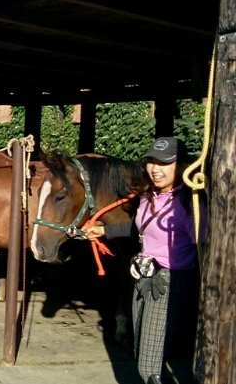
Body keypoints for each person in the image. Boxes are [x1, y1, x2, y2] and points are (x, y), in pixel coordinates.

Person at [86, 137, 206, 384]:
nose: (155, 169)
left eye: (164, 163)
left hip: (169, 280)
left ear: (181, 166)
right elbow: (140, 227)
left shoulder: (188, 204)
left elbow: (204, 246)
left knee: (149, 365)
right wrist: (104, 231)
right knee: (141, 351)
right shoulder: (149, 195)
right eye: (151, 162)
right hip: (143, 278)